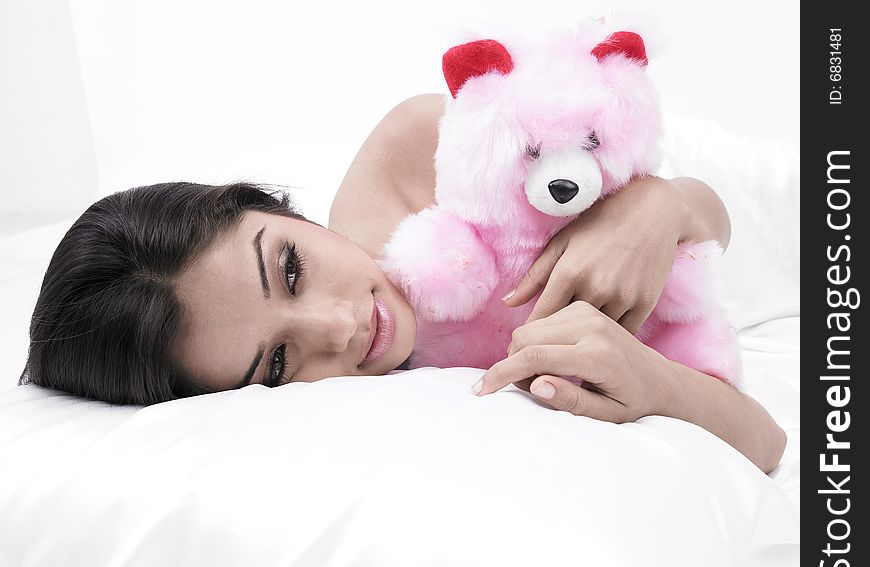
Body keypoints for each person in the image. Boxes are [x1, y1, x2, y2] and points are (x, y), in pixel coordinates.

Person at [20, 94, 786, 473]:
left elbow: (717, 218)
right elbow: (769, 441)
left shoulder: (426, 149)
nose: (339, 328)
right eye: (278, 363)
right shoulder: (385, 420)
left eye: (289, 266)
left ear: (274, 205)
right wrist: (655, 384)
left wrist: (660, 205)